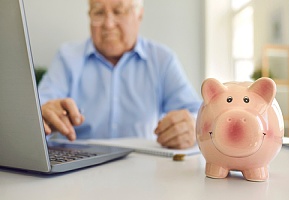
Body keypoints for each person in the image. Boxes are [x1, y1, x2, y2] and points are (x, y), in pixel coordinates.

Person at [38, 0, 201, 149]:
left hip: (144, 169)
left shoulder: (162, 59)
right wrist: (43, 113)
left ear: (139, 15)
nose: (108, 24)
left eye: (119, 11)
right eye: (99, 12)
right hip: (76, 169)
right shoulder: (66, 57)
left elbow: (198, 115)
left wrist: (192, 126)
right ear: (89, 16)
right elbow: (37, 112)